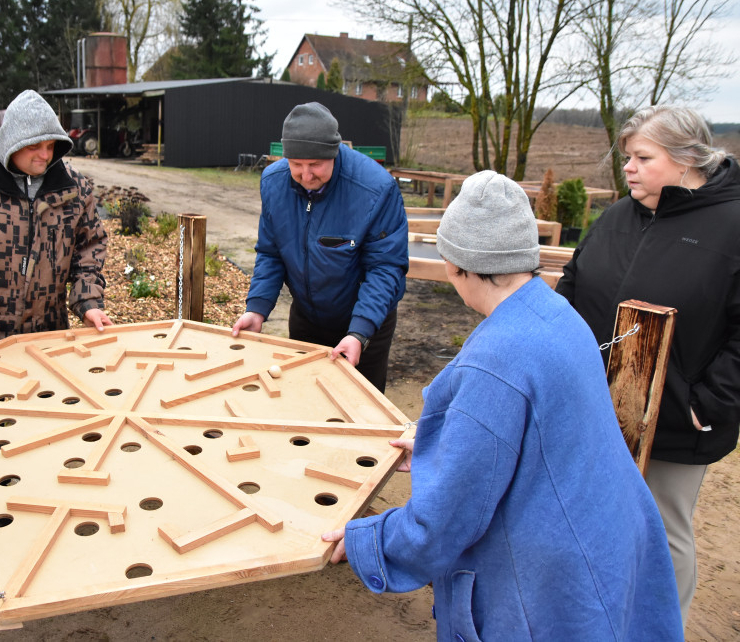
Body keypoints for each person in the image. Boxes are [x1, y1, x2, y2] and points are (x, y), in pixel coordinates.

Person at [322, 171, 683, 640]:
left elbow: (449, 515)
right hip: (608, 537)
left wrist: (367, 541)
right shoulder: (558, 314)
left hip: (549, 582)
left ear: (457, 266)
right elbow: (521, 432)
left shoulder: (496, 360)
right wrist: (442, 439)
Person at [556, 105, 740, 624]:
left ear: (686, 160)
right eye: (627, 157)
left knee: (661, 528)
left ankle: (660, 625)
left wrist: (705, 404)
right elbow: (572, 285)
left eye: (642, 157)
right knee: (598, 514)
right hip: (600, 406)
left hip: (680, 420)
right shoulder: (618, 214)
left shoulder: (732, 225)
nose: (628, 168)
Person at [231, 102, 408, 391]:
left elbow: (385, 267)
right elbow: (271, 252)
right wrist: (258, 308)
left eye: (315, 164)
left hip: (363, 320)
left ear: (334, 153)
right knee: (303, 398)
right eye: (296, 164)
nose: (306, 174)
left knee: (360, 406)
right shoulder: (274, 183)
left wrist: (360, 332)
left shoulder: (375, 189)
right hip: (307, 317)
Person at [0, 89, 112, 357]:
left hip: (50, 338)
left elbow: (89, 249)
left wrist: (89, 302)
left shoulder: (74, 188)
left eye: (51, 146)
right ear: (12, 143)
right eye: (34, 147)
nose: (45, 155)